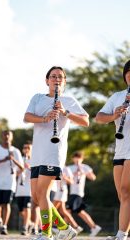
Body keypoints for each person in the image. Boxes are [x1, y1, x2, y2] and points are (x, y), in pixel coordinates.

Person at [24, 66, 89, 240]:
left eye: (60, 77)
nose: (57, 79)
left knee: (43, 193)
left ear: (64, 81)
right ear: (47, 81)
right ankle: (64, 228)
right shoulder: (37, 98)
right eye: (53, 77)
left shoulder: (68, 100)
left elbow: (85, 121)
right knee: (36, 196)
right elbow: (27, 117)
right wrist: (45, 118)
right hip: (37, 153)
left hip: (54, 152)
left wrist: (65, 112)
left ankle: (46, 233)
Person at [95, 59, 130, 240]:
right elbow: (99, 117)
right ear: (125, 75)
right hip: (120, 150)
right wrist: (115, 115)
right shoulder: (117, 96)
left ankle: (121, 235)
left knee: (125, 190)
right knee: (123, 195)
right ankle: (123, 233)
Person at [0, 130, 24, 235]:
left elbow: (22, 167)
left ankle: (4, 226)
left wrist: (13, 160)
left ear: (11, 137)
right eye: (4, 134)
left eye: (8, 134)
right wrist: (4, 160)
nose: (6, 136)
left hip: (9, 183)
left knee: (6, 204)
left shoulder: (15, 151)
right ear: (1, 137)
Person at [66, 151, 102, 237]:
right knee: (79, 211)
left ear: (82, 159)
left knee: (67, 211)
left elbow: (93, 177)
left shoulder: (85, 167)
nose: (77, 159)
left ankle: (66, 229)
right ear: (73, 159)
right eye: (76, 157)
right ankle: (93, 227)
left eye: (79, 158)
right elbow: (67, 180)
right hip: (72, 192)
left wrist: (83, 172)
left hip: (78, 192)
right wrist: (74, 174)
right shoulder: (70, 168)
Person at [53, 166, 83, 236]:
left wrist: (65, 177)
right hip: (56, 190)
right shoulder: (54, 167)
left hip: (61, 191)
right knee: (63, 211)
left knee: (53, 209)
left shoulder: (66, 169)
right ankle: (76, 226)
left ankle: (54, 226)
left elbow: (72, 181)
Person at [15, 141, 33, 235]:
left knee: (27, 208)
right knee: (21, 211)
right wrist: (20, 170)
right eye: (24, 148)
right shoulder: (20, 159)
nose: (26, 150)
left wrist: (29, 167)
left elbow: (37, 174)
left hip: (29, 189)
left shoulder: (35, 160)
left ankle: (25, 227)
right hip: (19, 189)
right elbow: (15, 174)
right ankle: (30, 223)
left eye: (28, 148)